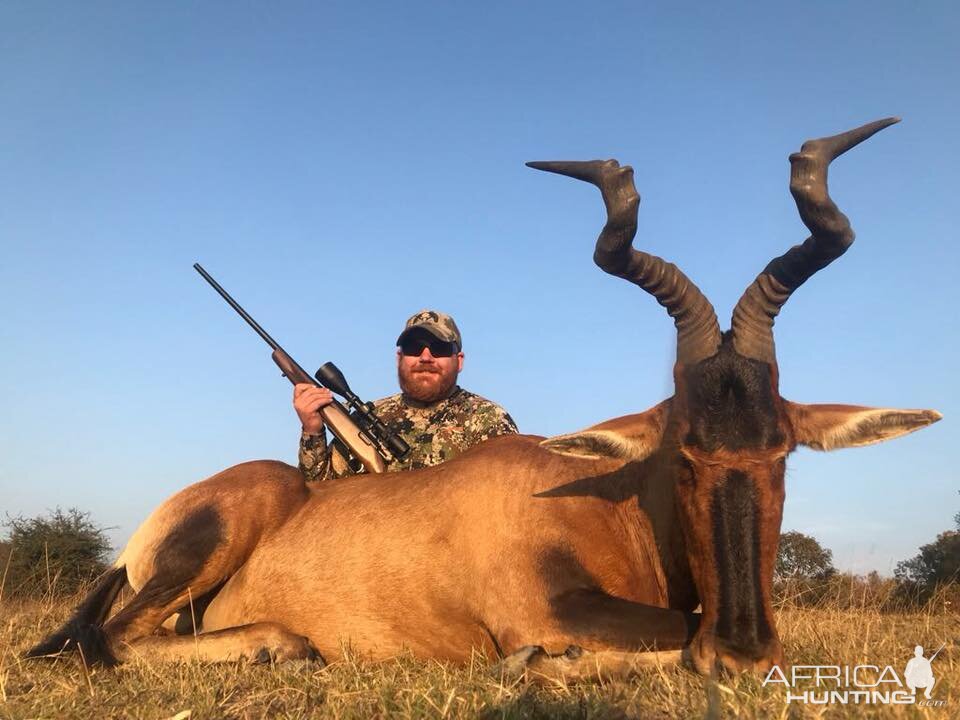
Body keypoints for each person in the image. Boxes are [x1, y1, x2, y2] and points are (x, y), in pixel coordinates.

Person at [294, 310, 517, 481]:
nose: (426, 357)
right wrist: (312, 431)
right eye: (414, 347)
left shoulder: (487, 419)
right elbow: (320, 492)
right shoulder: (365, 420)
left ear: (459, 361)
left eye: (439, 348)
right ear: (399, 358)